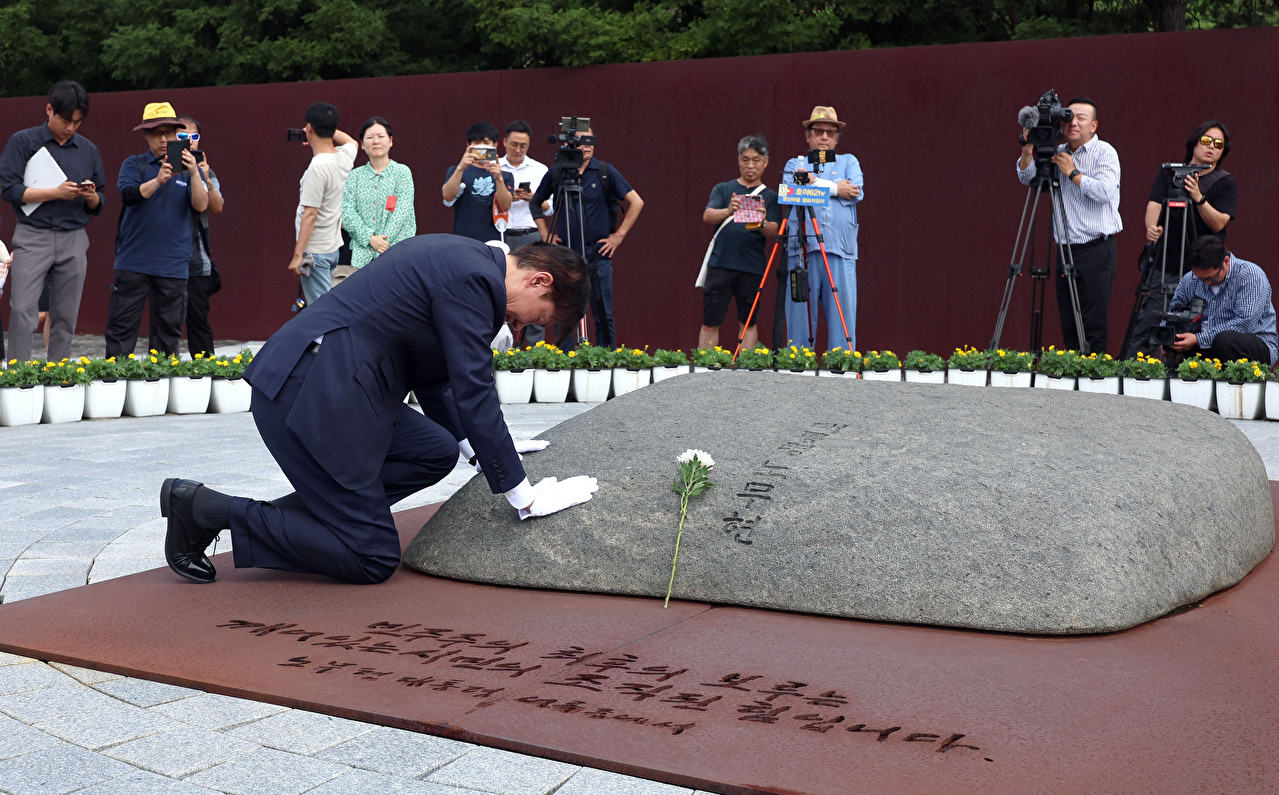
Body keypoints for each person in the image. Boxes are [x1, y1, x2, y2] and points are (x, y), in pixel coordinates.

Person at [160, 236, 599, 585]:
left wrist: (481, 452)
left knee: (434, 451)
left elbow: (437, 379)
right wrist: (525, 496)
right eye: (537, 318)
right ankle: (206, 509)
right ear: (539, 280)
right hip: (314, 392)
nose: (520, 328)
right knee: (371, 557)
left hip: (335, 384)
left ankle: (273, 521)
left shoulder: (463, 256)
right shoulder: (476, 280)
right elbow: (473, 385)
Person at [0, 81, 105, 363]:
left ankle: (59, 373)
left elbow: (100, 202)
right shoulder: (23, 141)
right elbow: (9, 190)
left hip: (74, 236)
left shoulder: (88, 150)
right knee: (23, 309)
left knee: (66, 313)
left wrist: (91, 195)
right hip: (33, 234)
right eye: (66, 120)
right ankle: (18, 374)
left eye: (78, 122)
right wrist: (55, 193)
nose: (71, 128)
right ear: (49, 109)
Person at [1017, 96, 1122, 354]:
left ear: (1093, 126)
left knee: (1093, 319)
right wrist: (1027, 149)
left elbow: (1105, 191)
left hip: (1096, 248)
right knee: (1069, 321)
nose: (1073, 123)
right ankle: (1075, 372)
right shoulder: (1057, 151)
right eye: (1068, 118)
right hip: (1065, 249)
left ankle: (1094, 375)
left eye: (1081, 118)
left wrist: (1073, 173)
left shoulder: (1105, 152)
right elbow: (1027, 178)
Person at [103, 102, 209, 359]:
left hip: (173, 264)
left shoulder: (189, 167)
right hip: (134, 261)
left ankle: (159, 393)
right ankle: (115, 389)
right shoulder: (134, 164)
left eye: (169, 133)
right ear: (146, 136)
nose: (163, 139)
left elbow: (201, 205)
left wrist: (195, 173)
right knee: (121, 331)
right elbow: (128, 195)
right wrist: (158, 180)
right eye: (156, 133)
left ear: (176, 135)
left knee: (168, 335)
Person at [1124, 121, 1238, 358]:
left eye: (1219, 144)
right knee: (1151, 318)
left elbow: (1219, 223)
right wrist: (1151, 228)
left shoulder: (1225, 182)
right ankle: (1134, 369)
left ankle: (1184, 373)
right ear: (1195, 142)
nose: (1211, 147)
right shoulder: (1170, 173)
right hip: (1166, 260)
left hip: (1201, 267)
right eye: (1206, 140)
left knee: (1194, 321)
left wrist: (1198, 197)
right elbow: (1154, 203)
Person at [530, 121, 644, 347]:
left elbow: (637, 202)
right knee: (564, 312)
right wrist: (546, 235)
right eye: (582, 141)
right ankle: (564, 363)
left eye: (591, 141)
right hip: (564, 257)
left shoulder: (604, 171)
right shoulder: (557, 172)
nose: (587, 146)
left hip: (597, 255)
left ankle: (605, 362)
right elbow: (535, 203)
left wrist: (618, 236)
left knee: (603, 314)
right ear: (570, 144)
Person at [781, 106, 864, 352]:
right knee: (798, 320)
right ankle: (797, 369)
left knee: (843, 320)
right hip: (802, 251)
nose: (824, 137)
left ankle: (842, 371)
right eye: (819, 131)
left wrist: (814, 183)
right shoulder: (794, 163)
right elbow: (791, 192)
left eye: (830, 132)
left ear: (837, 138)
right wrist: (836, 189)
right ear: (808, 136)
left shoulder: (849, 161)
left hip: (840, 249)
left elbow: (856, 191)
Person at [698, 134, 781, 351]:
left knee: (749, 321)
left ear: (766, 162)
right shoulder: (724, 189)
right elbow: (707, 216)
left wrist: (761, 221)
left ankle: (745, 371)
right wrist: (728, 210)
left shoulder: (771, 197)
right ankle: (706, 369)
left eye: (756, 160)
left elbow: (775, 230)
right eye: (745, 160)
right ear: (738, 160)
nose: (750, 165)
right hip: (720, 264)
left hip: (752, 267)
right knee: (710, 320)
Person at [1166, 235, 1276, 366]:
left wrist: (1198, 339)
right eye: (1201, 279)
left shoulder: (1251, 275)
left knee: (1225, 340)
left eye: (1211, 278)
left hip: (1251, 344)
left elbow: (1244, 324)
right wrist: (1168, 337)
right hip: (1203, 346)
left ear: (1226, 261)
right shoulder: (1189, 280)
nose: (1206, 283)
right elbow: (1173, 312)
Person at [289, 102, 357, 307]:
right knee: (326, 306)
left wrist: (297, 255)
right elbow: (352, 141)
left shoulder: (317, 167)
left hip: (315, 251)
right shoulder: (344, 157)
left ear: (309, 128)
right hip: (332, 247)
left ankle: (331, 341)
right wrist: (325, 128)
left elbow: (311, 213)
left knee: (321, 312)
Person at [173, 114, 225, 359]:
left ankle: (205, 370)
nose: (190, 141)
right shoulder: (164, 168)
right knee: (166, 320)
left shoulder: (206, 170)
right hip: (167, 258)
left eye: (194, 136)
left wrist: (204, 177)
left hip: (196, 258)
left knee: (199, 320)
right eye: (183, 136)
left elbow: (216, 207)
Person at [341, 116, 416, 272]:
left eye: (381, 137)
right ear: (362, 144)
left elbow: (402, 211)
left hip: (397, 250)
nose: (376, 141)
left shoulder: (402, 173)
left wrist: (382, 243)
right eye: (370, 137)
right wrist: (370, 239)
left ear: (390, 141)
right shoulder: (355, 176)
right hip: (362, 254)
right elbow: (347, 212)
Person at [500, 121, 551, 344]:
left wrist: (533, 199)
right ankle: (502, 349)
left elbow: (550, 208)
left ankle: (533, 351)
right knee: (502, 293)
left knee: (535, 292)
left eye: (523, 145)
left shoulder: (540, 170)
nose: (518, 150)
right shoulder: (495, 167)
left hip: (531, 235)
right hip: (502, 234)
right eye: (514, 145)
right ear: (504, 143)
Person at [442, 121, 513, 243]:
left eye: (486, 143)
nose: (481, 147)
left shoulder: (505, 176)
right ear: (468, 145)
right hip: (463, 239)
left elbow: (505, 206)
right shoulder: (457, 170)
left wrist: (499, 179)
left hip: (493, 241)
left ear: (495, 145)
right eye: (476, 143)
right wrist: (461, 167)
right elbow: (447, 196)